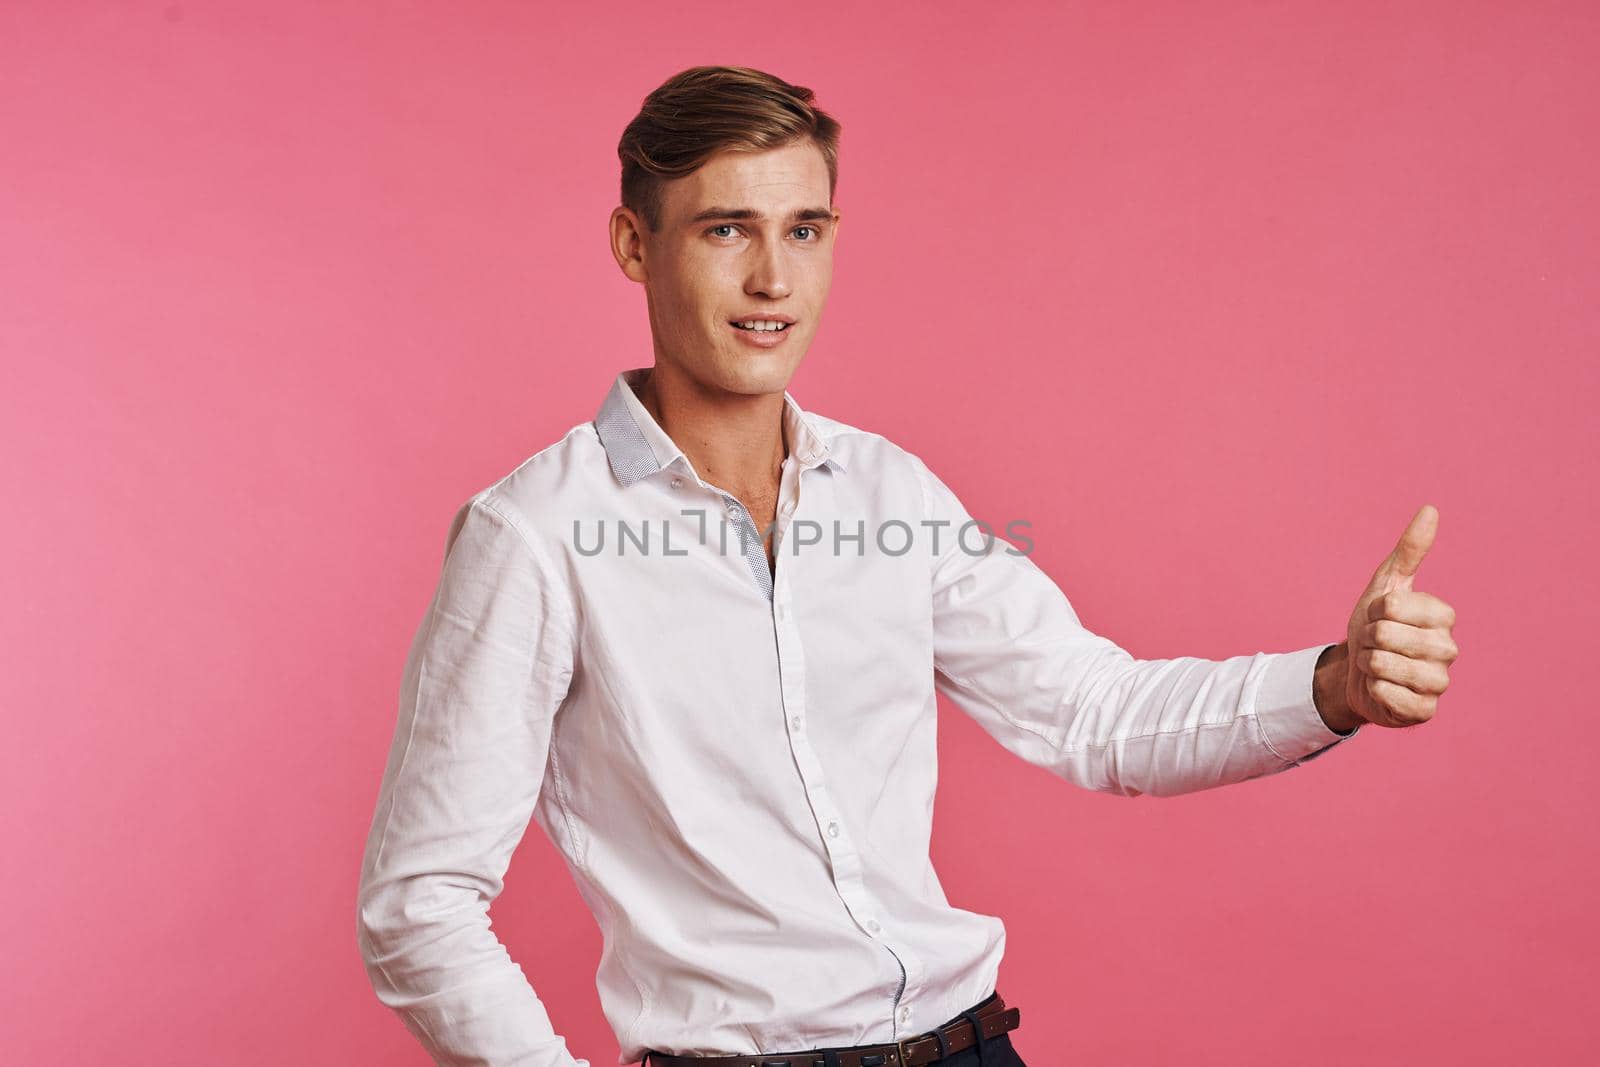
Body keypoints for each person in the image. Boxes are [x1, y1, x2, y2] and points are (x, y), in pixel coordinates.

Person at [355, 65, 1459, 1067]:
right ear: (635, 245)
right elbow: (419, 903)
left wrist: (1334, 684)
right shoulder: (534, 534)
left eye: (805, 228)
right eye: (726, 230)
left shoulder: (890, 493)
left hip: (971, 1048)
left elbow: (1092, 711)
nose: (773, 278)